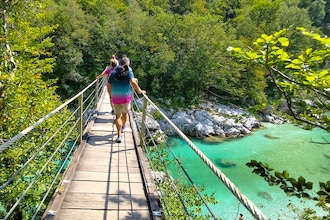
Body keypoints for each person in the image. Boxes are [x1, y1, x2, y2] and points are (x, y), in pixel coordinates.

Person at [108, 56, 146, 143]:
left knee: (117, 116)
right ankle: (124, 126)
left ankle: (119, 135)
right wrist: (139, 91)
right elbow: (132, 82)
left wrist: (110, 95)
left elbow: (109, 85)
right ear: (127, 63)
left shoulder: (114, 72)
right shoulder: (129, 71)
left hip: (116, 97)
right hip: (125, 98)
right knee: (124, 114)